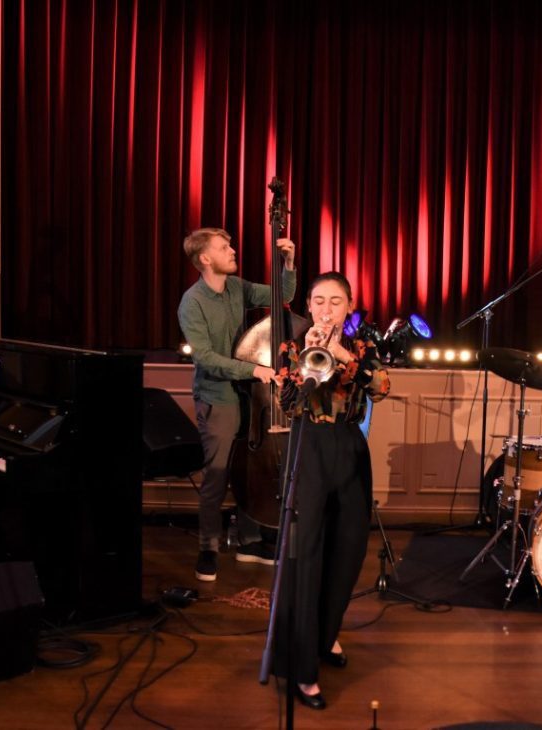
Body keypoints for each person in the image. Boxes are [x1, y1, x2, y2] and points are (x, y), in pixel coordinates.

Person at [272, 272, 391, 710]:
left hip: (349, 446)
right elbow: (286, 402)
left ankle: (325, 638)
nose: (326, 309)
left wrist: (341, 354)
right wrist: (305, 362)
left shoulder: (363, 346)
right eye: (319, 300)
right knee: (306, 556)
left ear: (349, 306)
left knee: (348, 551)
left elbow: (382, 387)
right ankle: (302, 669)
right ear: (309, 304)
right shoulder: (292, 345)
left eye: (335, 301)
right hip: (308, 446)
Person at [177, 227, 296, 582]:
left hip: (249, 396)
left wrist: (288, 263)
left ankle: (250, 539)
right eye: (223, 247)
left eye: (230, 245)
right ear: (205, 258)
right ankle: (208, 549)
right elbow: (205, 358)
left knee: (252, 469)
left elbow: (283, 295)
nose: (232, 250)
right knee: (218, 476)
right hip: (218, 398)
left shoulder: (236, 287)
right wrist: (254, 369)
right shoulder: (192, 303)